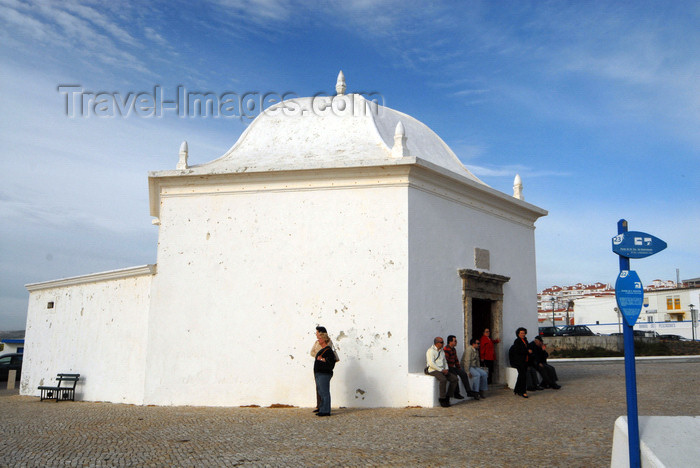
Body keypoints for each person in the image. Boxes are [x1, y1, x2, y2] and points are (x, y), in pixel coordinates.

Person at [310, 326, 339, 413]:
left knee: (324, 390)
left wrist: (322, 359)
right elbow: (312, 352)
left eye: (317, 332)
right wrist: (318, 357)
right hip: (319, 368)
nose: (316, 334)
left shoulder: (328, 343)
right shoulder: (317, 342)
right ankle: (320, 406)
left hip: (324, 369)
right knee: (319, 389)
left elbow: (332, 355)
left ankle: (324, 409)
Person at [443, 335, 480, 400]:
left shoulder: (453, 349)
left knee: (463, 374)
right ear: (450, 342)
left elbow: (456, 360)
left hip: (452, 367)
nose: (456, 342)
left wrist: (459, 368)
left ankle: (468, 391)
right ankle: (456, 393)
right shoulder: (446, 349)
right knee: (454, 376)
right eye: (455, 341)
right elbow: (445, 361)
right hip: (448, 367)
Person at [426, 337, 459, 407]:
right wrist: (441, 370)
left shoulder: (442, 351)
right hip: (433, 369)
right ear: (437, 343)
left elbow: (445, 361)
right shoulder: (430, 351)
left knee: (454, 379)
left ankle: (448, 396)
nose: (443, 344)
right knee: (443, 379)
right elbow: (431, 363)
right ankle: (442, 398)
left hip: (442, 369)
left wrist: (446, 369)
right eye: (441, 342)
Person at [314, 332, 336, 417]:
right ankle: (322, 409)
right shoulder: (323, 350)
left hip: (324, 374)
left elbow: (331, 362)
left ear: (323, 340)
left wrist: (322, 359)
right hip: (319, 373)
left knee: (324, 392)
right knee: (321, 392)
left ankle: (326, 410)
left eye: (319, 338)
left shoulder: (328, 350)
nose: (318, 340)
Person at [509, 327, 532, 398]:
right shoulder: (517, 341)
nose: (523, 334)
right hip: (519, 361)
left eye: (524, 333)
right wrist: (527, 351)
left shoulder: (525, 340)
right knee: (523, 376)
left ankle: (517, 390)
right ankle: (523, 391)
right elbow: (518, 351)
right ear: (518, 334)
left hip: (525, 361)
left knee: (521, 376)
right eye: (521, 333)